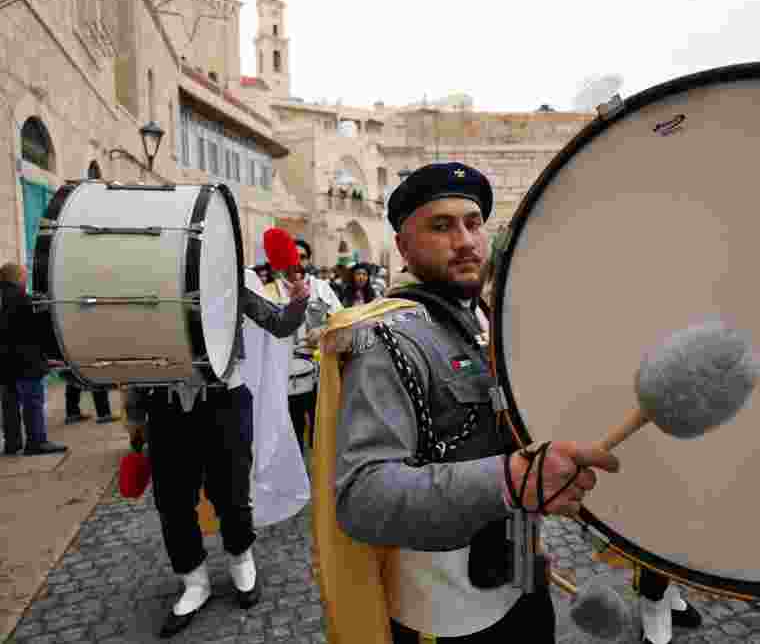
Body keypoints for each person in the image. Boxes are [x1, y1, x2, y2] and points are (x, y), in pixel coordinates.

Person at [333, 162, 621, 642]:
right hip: (451, 615)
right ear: (403, 247)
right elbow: (362, 497)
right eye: (441, 226)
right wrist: (510, 480)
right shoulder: (386, 338)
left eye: (473, 222)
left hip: (522, 572)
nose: (465, 240)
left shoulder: (487, 317)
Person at [124, 273, 310, 638]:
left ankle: (242, 560)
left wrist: (299, 300)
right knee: (173, 501)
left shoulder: (228, 282)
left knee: (232, 492)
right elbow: (135, 355)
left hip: (225, 401)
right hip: (165, 406)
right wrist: (134, 416)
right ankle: (194, 580)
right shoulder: (146, 285)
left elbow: (279, 323)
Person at [263, 238, 342, 455]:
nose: (296, 262)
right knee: (291, 430)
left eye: (303, 257)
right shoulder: (268, 291)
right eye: (292, 256)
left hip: (320, 370)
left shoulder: (321, 288)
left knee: (323, 431)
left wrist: (323, 331)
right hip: (285, 374)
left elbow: (339, 320)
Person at [0, 262, 67, 456]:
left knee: (9, 403)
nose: (26, 278)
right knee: (32, 401)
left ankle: (12, 442)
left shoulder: (4, 298)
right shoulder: (23, 299)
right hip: (26, 361)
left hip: (5, 362)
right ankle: (36, 442)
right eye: (24, 275)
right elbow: (38, 331)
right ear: (18, 277)